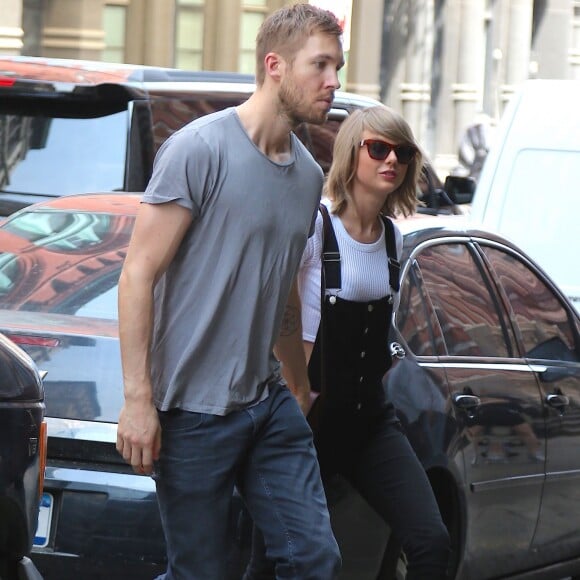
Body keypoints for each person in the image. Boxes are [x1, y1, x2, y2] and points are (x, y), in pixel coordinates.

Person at [115, 4, 345, 579]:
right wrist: (138, 400)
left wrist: (297, 381)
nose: (334, 82)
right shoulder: (200, 150)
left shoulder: (309, 177)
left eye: (337, 67)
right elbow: (137, 274)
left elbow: (284, 289)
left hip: (266, 402)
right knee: (199, 573)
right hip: (191, 411)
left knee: (313, 557)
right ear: (275, 65)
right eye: (320, 66)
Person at [244, 105, 451, 580]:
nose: (390, 160)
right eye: (378, 148)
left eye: (402, 152)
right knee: (271, 560)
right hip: (306, 421)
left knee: (430, 541)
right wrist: (295, 388)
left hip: (369, 422)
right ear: (350, 155)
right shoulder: (317, 226)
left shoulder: (394, 240)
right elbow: (276, 304)